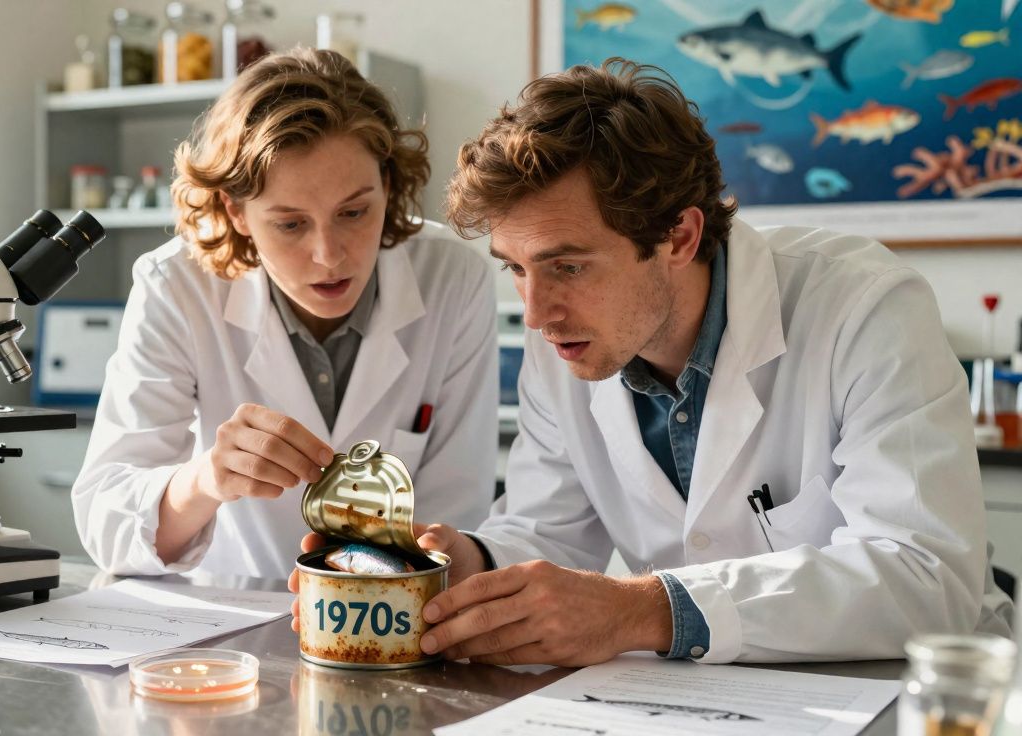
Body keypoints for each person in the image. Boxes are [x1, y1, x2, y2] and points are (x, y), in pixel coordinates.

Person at [294, 57, 1013, 664]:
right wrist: (465, 564)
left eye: (568, 266)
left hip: (901, 693)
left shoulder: (864, 307)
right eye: (515, 267)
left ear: (679, 236)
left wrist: (647, 610)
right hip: (703, 701)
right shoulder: (565, 341)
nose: (536, 313)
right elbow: (547, 531)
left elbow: (925, 575)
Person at [71, 49, 498, 580]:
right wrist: (206, 479)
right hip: (228, 613)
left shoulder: (453, 277)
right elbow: (107, 523)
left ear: (387, 185)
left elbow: (459, 506)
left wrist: (364, 587)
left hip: (397, 610)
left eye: (354, 212)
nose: (329, 255)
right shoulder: (177, 286)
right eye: (291, 224)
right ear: (235, 210)